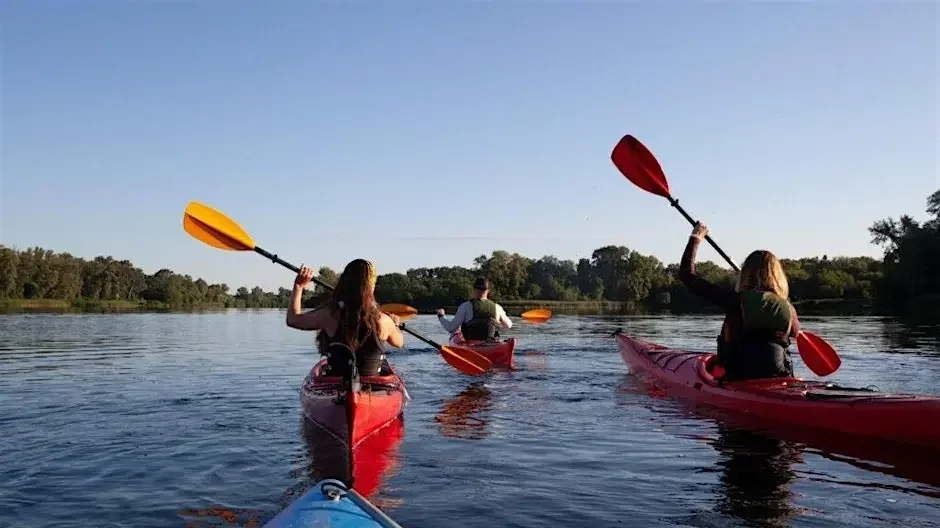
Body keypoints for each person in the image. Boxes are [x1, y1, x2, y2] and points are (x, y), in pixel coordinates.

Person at [678, 222, 800, 381]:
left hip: (739, 377)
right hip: (779, 376)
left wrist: (696, 238)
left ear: (746, 273)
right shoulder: (788, 308)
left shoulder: (734, 301)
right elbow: (796, 333)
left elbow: (687, 275)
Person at [286, 259, 404, 378]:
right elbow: (399, 343)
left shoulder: (329, 314)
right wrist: (395, 325)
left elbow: (292, 319)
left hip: (336, 385)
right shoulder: (384, 320)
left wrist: (299, 286)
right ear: (372, 286)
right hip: (373, 387)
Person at [436, 277, 513, 341]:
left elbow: (450, 328)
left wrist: (441, 316)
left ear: (474, 289)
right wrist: (496, 321)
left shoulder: (465, 306)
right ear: (488, 290)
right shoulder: (497, 307)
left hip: (472, 346)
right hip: (491, 344)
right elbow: (509, 325)